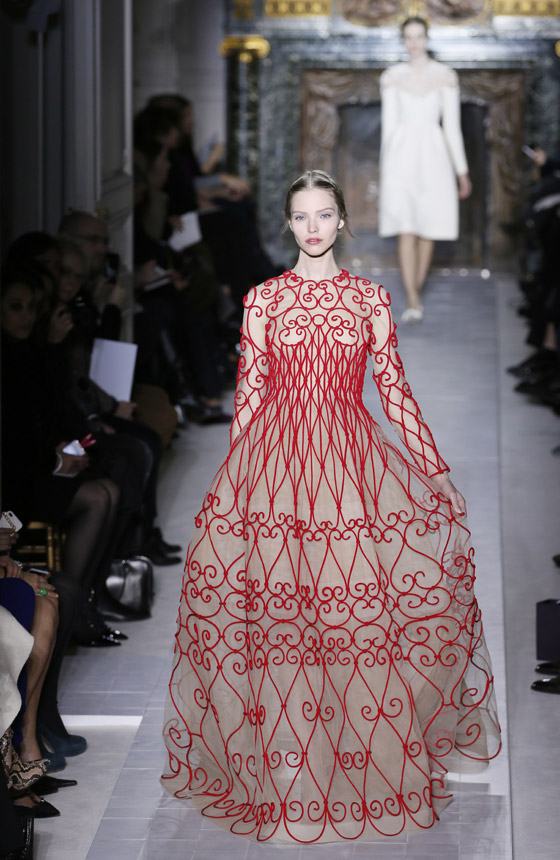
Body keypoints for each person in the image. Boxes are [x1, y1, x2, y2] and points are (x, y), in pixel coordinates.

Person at [161, 170, 501, 843]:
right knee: (282, 623)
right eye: (301, 216)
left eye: (323, 215)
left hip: (350, 470)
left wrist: (434, 470)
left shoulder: (369, 300)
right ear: (288, 223)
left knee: (353, 620)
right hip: (276, 471)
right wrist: (238, 485)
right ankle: (286, 770)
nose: (313, 228)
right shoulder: (263, 301)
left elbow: (394, 393)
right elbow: (250, 399)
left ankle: (365, 762)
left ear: (342, 220)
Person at [379, 17, 471, 323]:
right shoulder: (392, 76)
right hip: (401, 156)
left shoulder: (445, 75)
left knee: (428, 229)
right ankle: (413, 300)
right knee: (406, 227)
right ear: (403, 41)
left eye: (419, 36)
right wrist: (385, 168)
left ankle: (414, 293)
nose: (414, 42)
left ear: (427, 39)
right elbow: (389, 128)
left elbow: (453, 128)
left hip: (434, 156)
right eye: (409, 37)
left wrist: (461, 171)